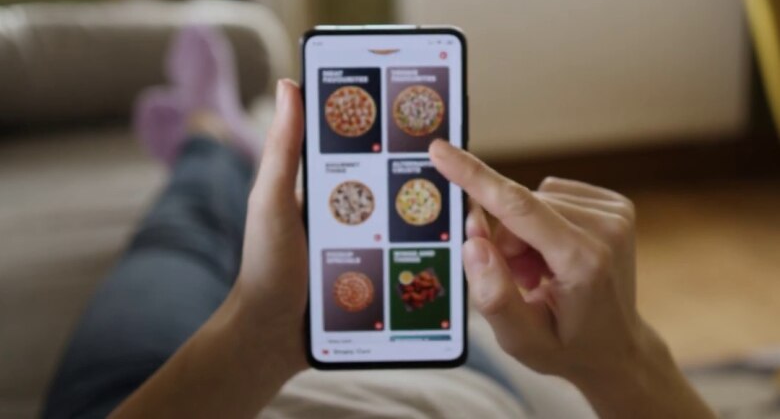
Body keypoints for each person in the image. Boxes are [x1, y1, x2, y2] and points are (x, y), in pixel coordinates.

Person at [43, 28, 716, 419]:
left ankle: (212, 133)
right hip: (448, 394)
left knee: (184, 227)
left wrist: (259, 336)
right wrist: (620, 363)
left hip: (140, 393)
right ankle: (221, 137)